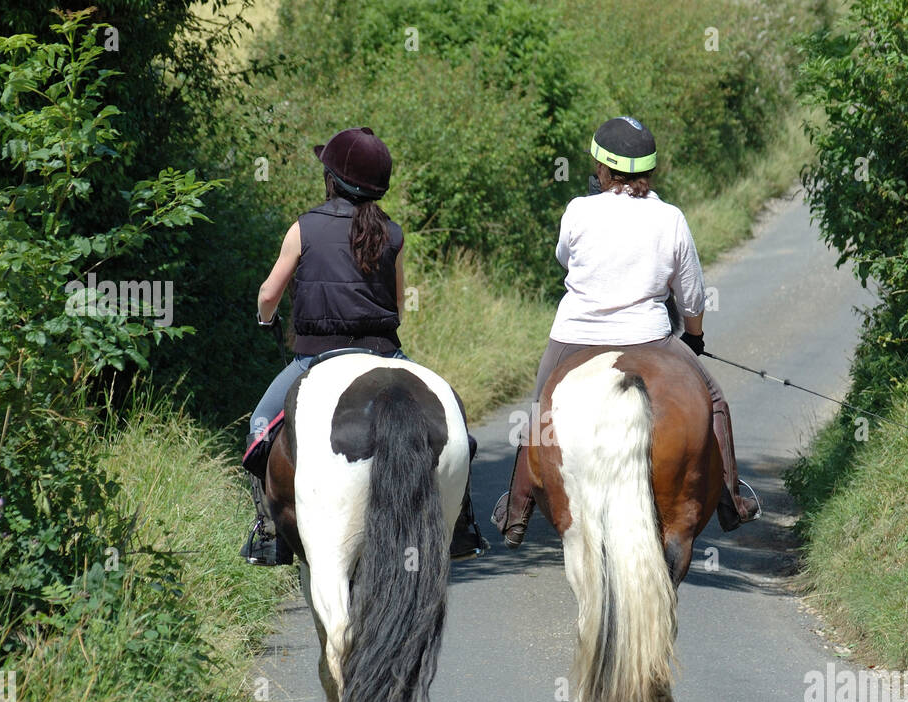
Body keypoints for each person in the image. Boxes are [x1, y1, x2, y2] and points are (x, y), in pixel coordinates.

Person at [492, 116, 760, 546]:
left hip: (576, 336)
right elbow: (691, 296)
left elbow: (565, 258)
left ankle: (517, 509)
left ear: (601, 168)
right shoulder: (670, 218)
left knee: (541, 406)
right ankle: (732, 500)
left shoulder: (578, 210)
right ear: (648, 171)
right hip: (650, 337)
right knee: (712, 399)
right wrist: (693, 338)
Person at [241, 126, 486, 565]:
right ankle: (462, 524)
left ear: (331, 180)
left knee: (261, 424)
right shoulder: (392, 234)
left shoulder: (305, 227)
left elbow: (267, 294)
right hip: (383, 351)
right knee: (457, 427)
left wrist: (266, 319)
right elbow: (397, 304)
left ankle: (268, 531)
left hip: (316, 355)